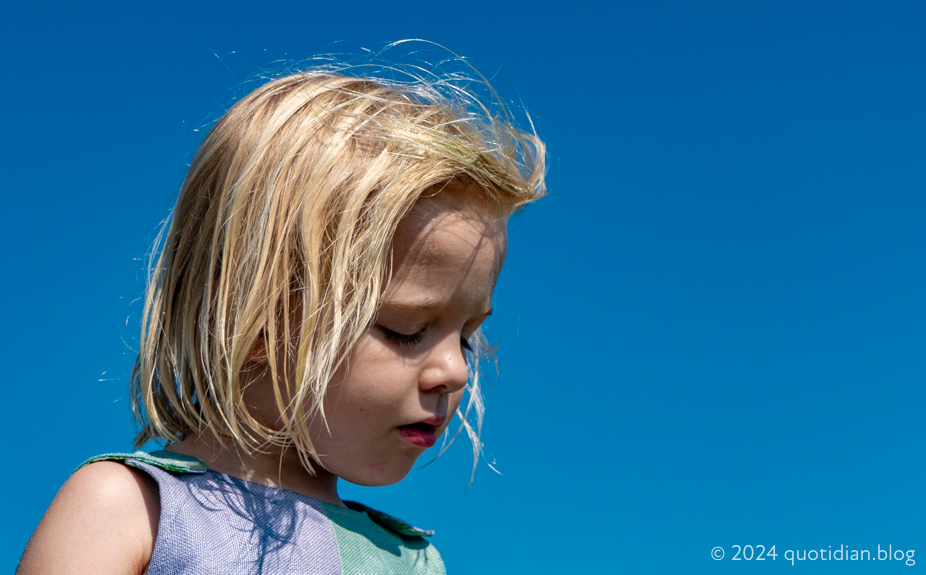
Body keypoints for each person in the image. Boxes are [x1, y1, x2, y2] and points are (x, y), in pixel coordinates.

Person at [16, 56, 546, 574]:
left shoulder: (412, 562)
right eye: (405, 330)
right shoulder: (132, 510)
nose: (454, 371)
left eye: (468, 338)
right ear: (253, 319)